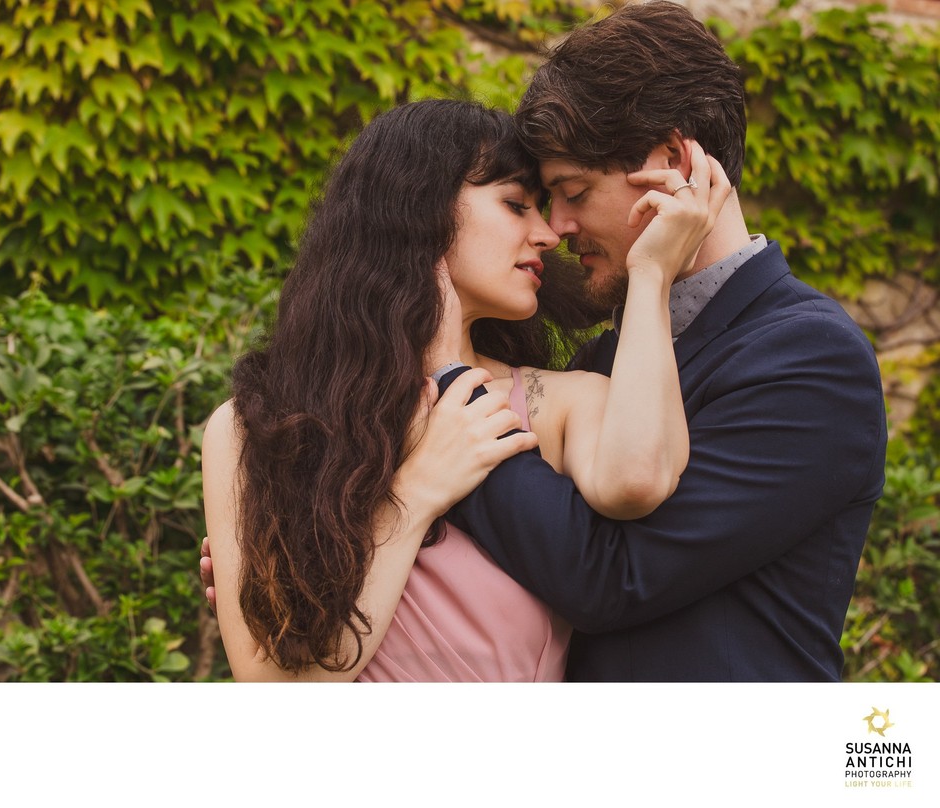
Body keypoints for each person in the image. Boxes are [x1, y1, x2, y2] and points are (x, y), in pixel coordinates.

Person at [427, 0, 887, 681]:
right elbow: (514, 559)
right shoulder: (607, 359)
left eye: (573, 191)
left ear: (672, 162)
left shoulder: (810, 360)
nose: (556, 228)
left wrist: (450, 401)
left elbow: (612, 578)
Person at [201, 98, 729, 681]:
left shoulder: (557, 402)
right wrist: (416, 493)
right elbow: (273, 687)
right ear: (416, 210)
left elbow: (638, 479)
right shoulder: (259, 426)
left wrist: (652, 272)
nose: (549, 233)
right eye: (514, 204)